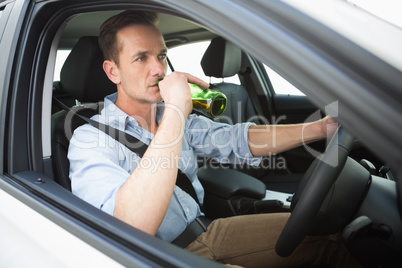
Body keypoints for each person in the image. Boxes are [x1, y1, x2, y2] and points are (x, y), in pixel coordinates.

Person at [68, 10, 360, 268]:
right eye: (141, 58)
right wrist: (176, 113)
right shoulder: (89, 141)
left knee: (332, 236)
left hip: (205, 232)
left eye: (161, 55)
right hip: (157, 256)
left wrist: (320, 129)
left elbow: (236, 141)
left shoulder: (168, 116)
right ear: (113, 71)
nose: (158, 69)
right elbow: (130, 228)